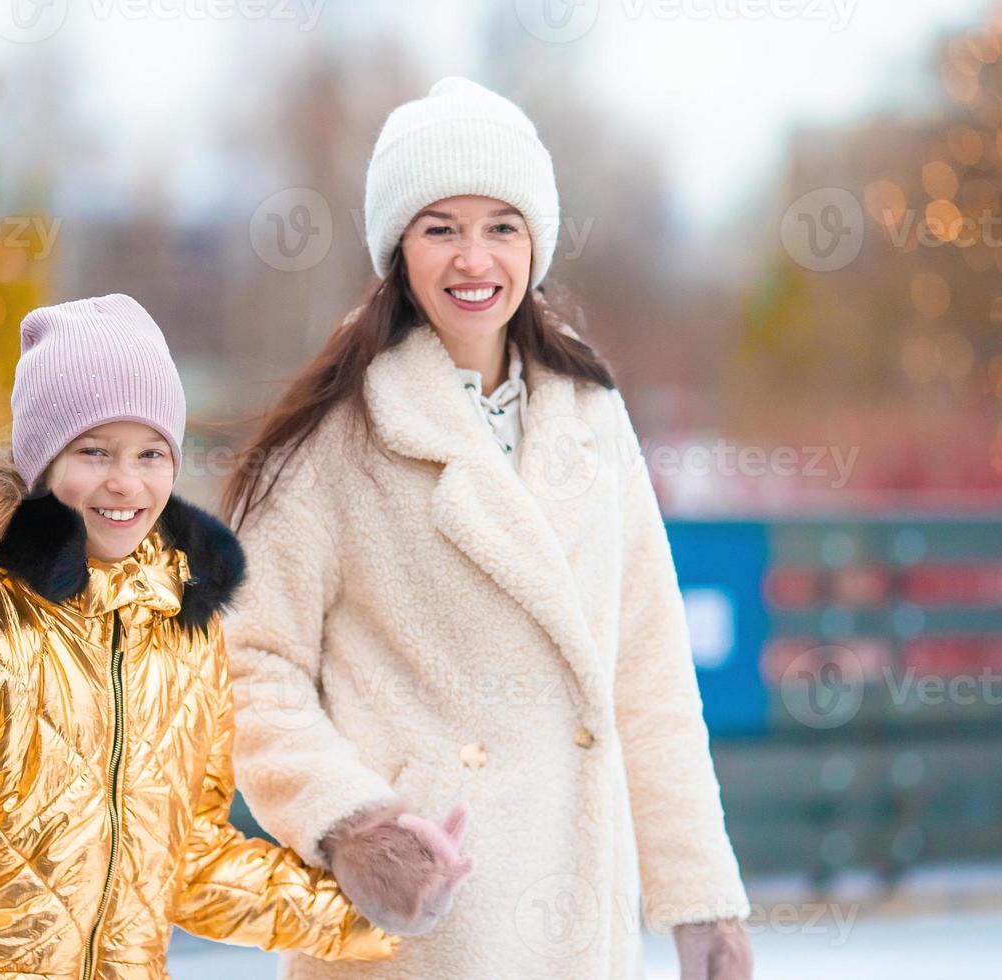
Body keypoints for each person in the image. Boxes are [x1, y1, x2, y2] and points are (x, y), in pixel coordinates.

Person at [221, 78, 755, 979]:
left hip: (581, 915)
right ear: (399, 246)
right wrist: (357, 825)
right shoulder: (335, 436)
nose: (475, 260)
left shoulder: (591, 414)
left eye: (501, 226)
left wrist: (700, 897)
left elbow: (650, 672)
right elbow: (247, 666)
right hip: (427, 922)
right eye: (441, 229)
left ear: (536, 241)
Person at [0, 294, 402, 979]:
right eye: (94, 450)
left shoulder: (183, 639)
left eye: (151, 453)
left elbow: (188, 859)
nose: (125, 482)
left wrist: (369, 914)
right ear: (43, 462)